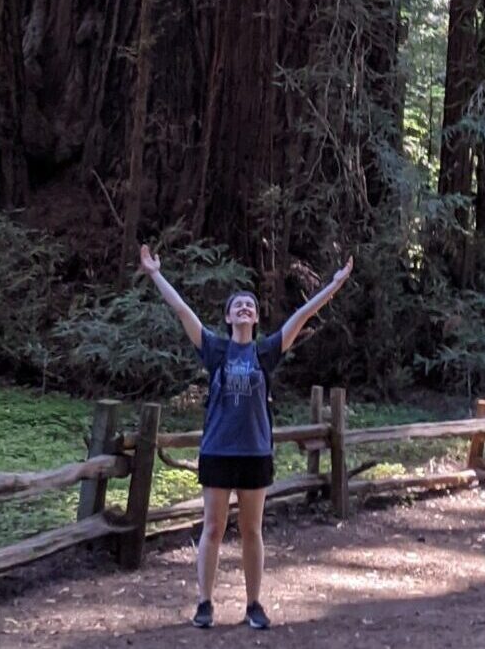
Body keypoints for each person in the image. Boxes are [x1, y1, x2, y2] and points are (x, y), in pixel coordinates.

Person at [139, 244, 353, 630]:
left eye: (250, 306)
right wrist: (155, 274)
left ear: (255, 318)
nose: (244, 309)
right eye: (237, 305)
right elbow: (182, 310)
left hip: (255, 452)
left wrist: (334, 285)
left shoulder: (266, 351)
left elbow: (303, 314)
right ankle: (204, 603)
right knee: (213, 527)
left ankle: (254, 604)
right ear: (227, 316)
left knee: (252, 530)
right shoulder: (215, 350)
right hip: (218, 450)